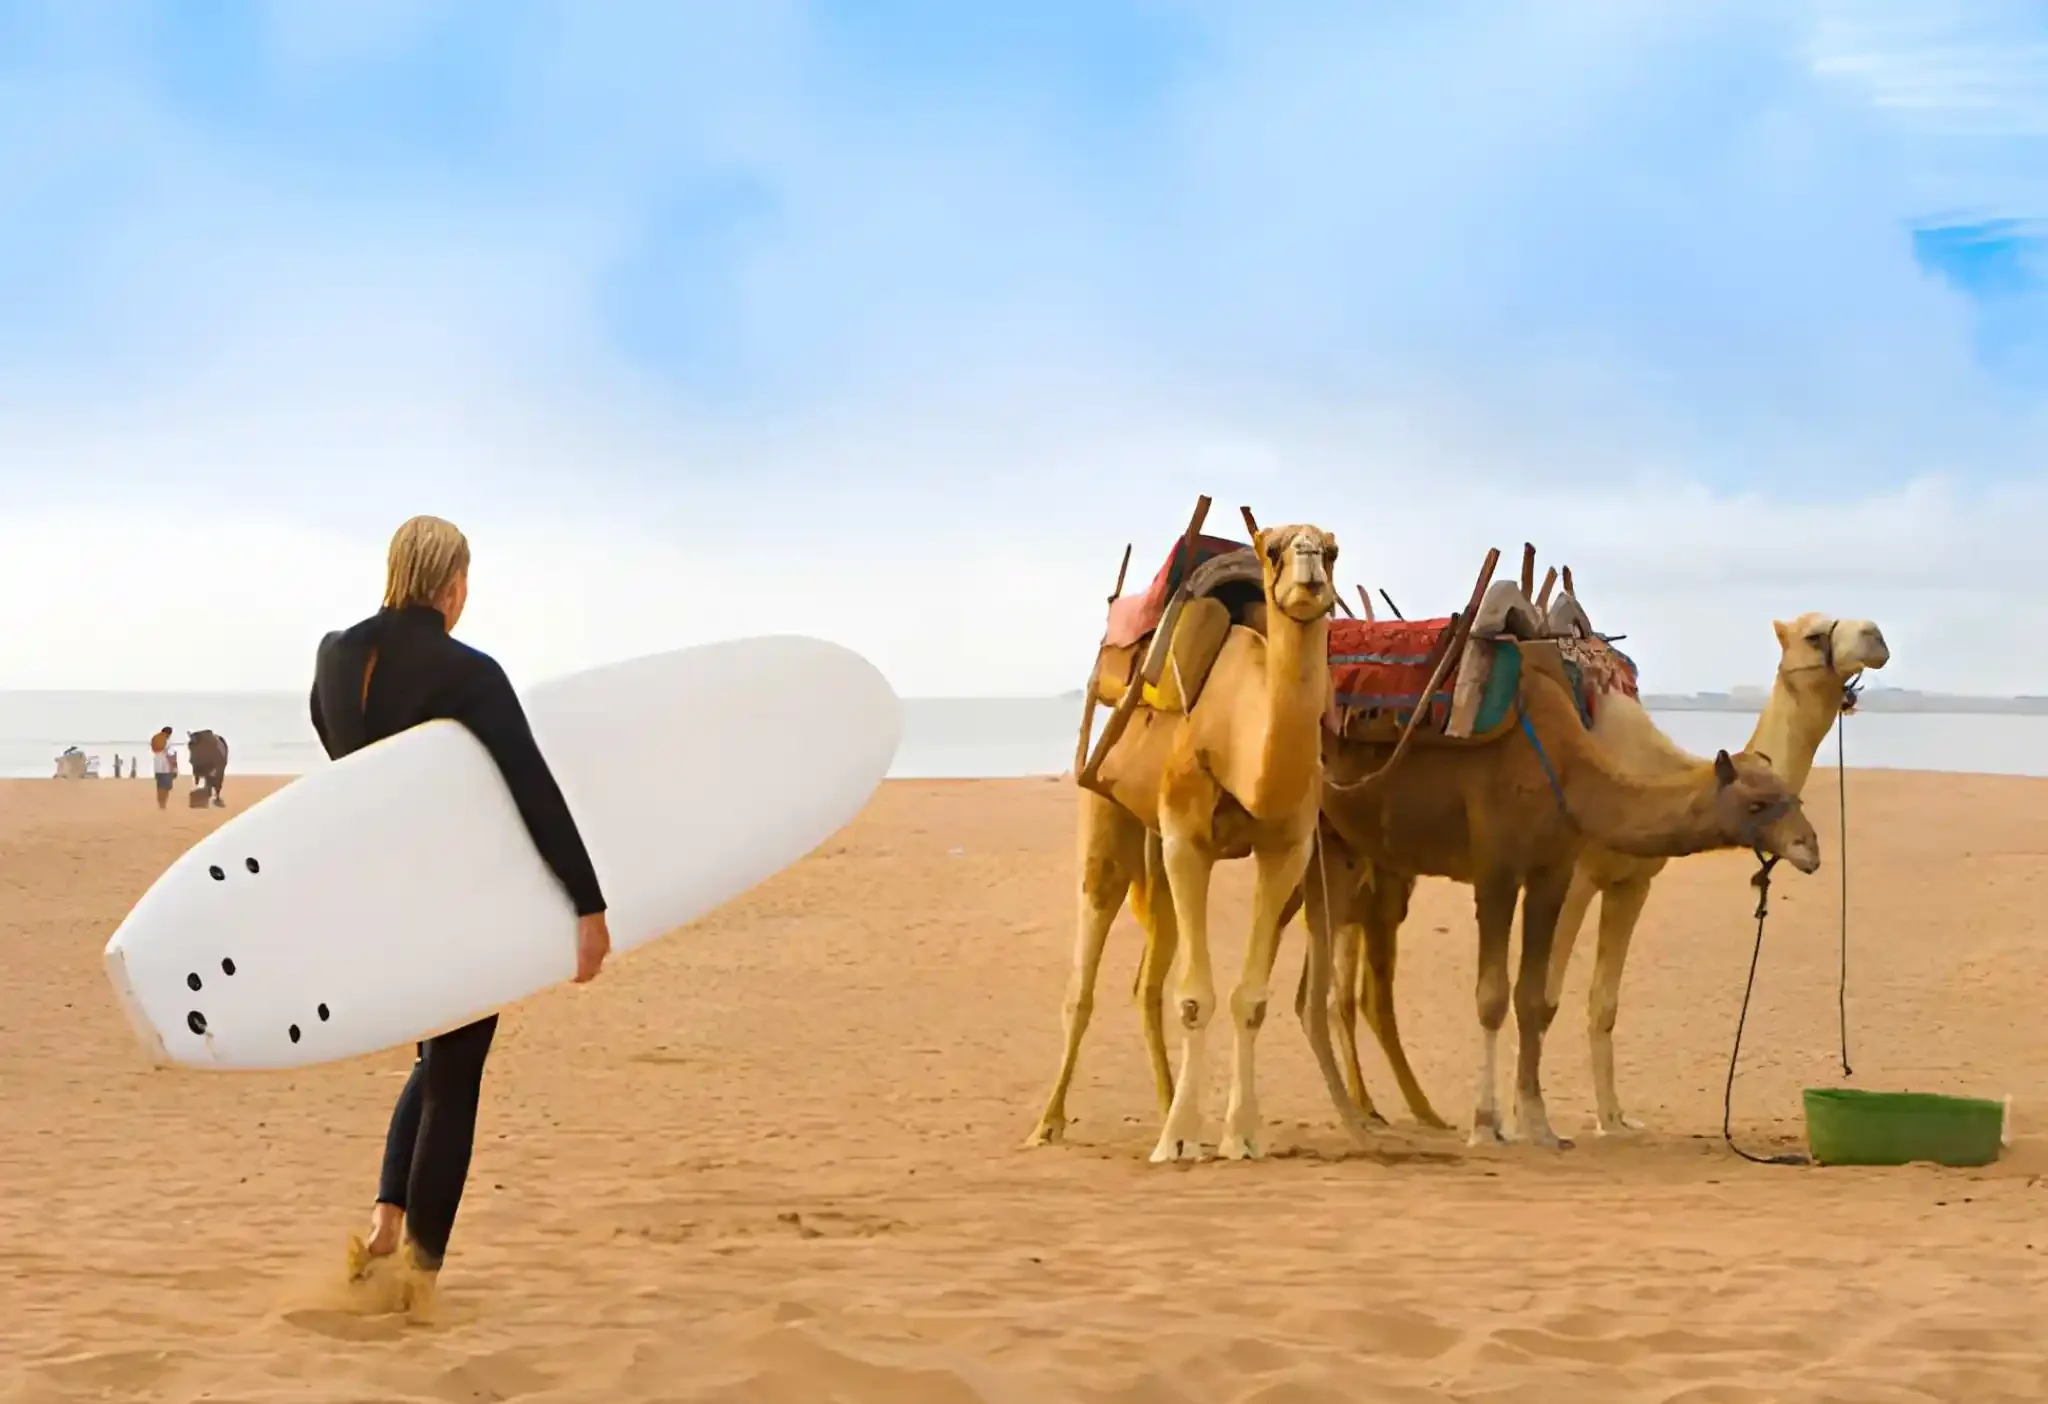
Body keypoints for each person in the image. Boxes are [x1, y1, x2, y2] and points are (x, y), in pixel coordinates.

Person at [309, 514, 612, 1292]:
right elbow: (531, 788)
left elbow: (342, 768)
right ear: (452, 584)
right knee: (456, 1073)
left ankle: (385, 1222)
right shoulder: (469, 673)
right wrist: (588, 902)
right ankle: (421, 1274)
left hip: (377, 900)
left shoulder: (336, 659)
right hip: (451, 898)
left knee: (432, 1055)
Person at [149, 727, 176, 810]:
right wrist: (174, 767)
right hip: (166, 768)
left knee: (160, 787)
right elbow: (170, 756)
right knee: (166, 787)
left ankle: (160, 804)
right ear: (169, 734)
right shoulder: (167, 742)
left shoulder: (157, 741)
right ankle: (163, 805)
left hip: (157, 768)